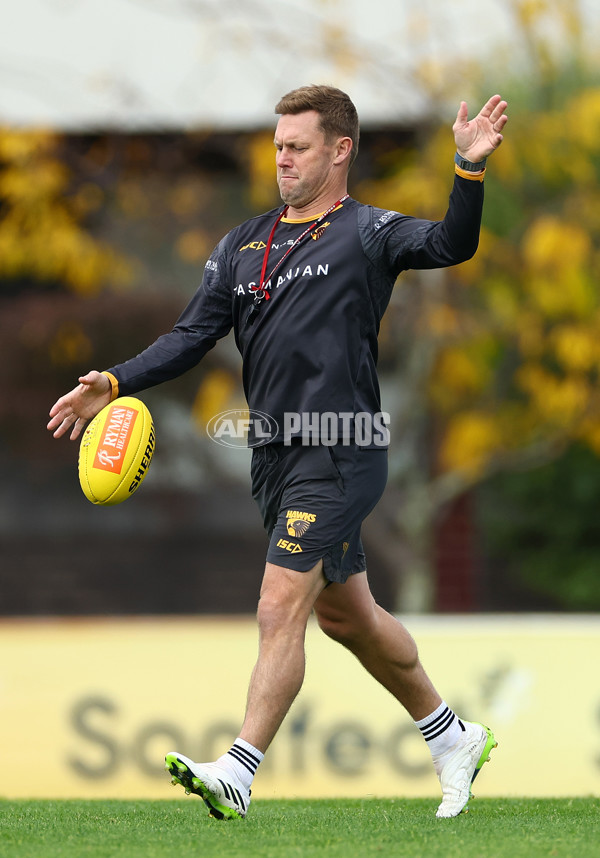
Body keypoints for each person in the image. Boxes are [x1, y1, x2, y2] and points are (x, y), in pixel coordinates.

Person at [48, 85, 508, 820]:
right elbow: (189, 336)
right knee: (347, 618)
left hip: (342, 452)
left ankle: (239, 767)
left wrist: (467, 169)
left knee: (277, 606)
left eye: (296, 146)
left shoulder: (369, 232)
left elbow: (451, 243)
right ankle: (451, 735)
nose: (281, 158)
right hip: (276, 460)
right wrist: (112, 380)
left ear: (339, 150)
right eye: (277, 146)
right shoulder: (242, 243)